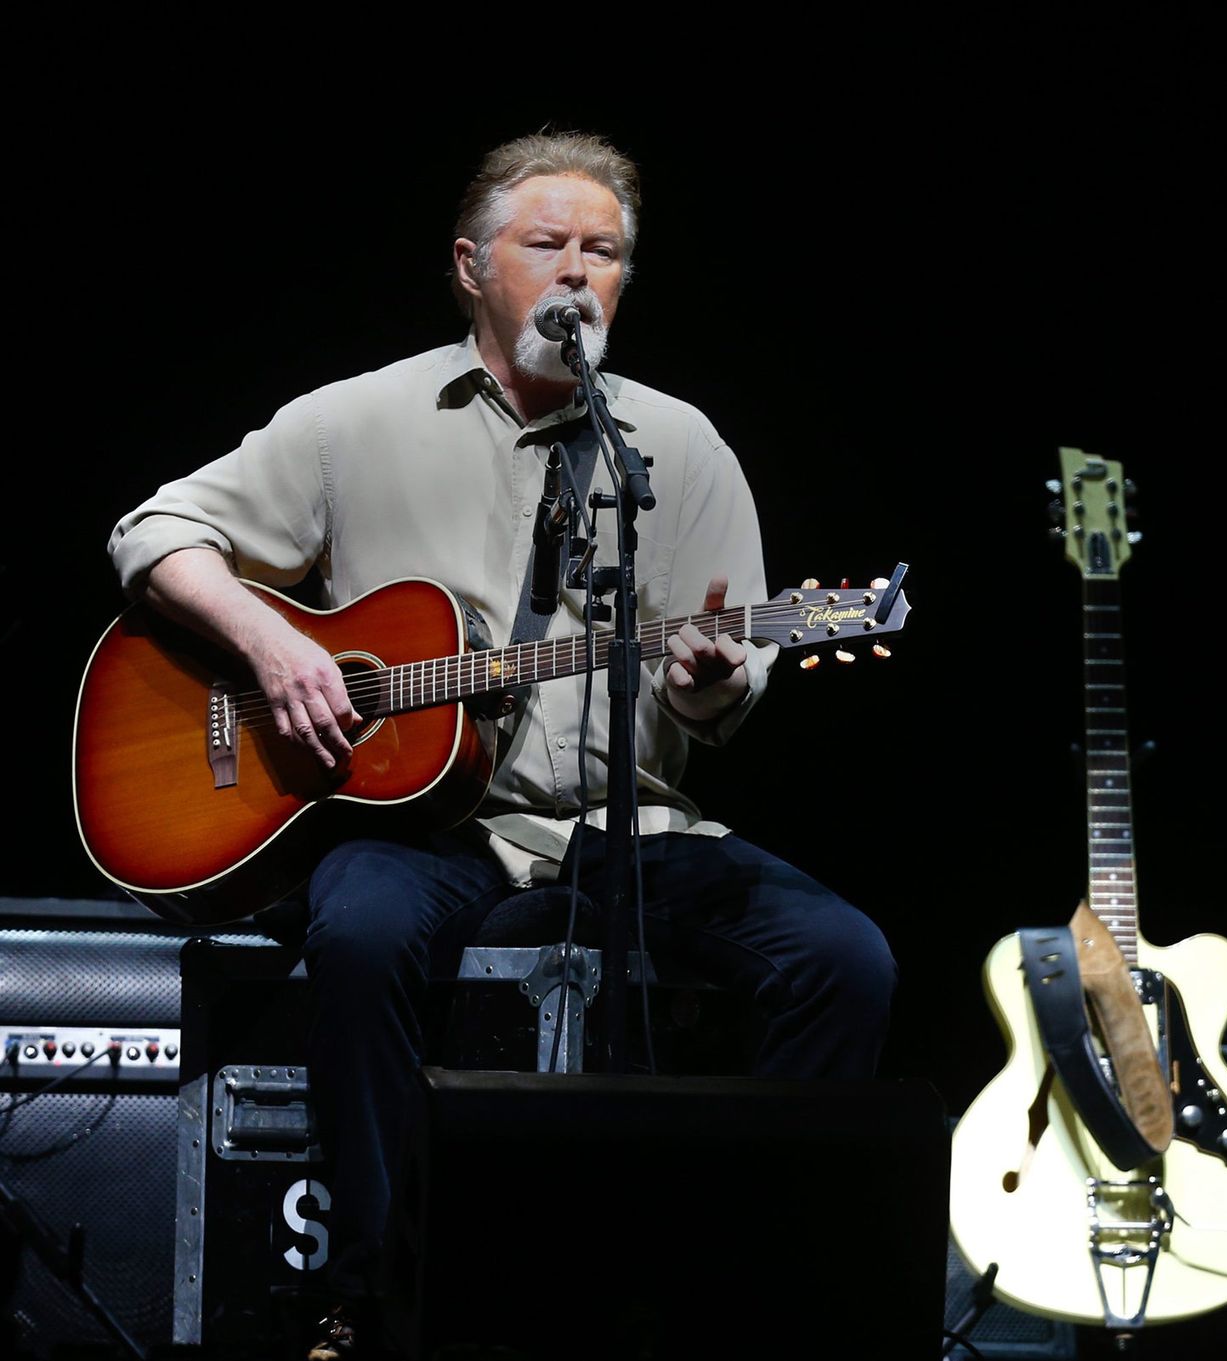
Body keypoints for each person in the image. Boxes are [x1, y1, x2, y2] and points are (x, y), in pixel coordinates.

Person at [108, 132, 896, 1358]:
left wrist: (707, 682)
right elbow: (155, 532)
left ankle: (749, 1287)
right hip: (428, 827)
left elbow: (718, 691)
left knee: (846, 957)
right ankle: (376, 1293)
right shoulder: (351, 421)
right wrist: (277, 650)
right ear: (473, 266)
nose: (579, 275)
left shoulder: (675, 450)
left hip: (625, 827)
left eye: (606, 252)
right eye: (549, 246)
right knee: (359, 932)